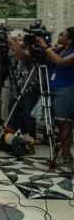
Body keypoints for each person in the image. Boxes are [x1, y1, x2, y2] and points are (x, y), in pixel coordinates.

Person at [37, 28, 74, 164]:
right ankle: (62, 153)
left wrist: (47, 48)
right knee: (57, 123)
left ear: (70, 40)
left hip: (66, 89)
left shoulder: (72, 53)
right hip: (52, 88)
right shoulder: (58, 50)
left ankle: (65, 156)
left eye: (62, 35)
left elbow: (61, 62)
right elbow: (47, 59)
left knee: (65, 123)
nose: (59, 36)